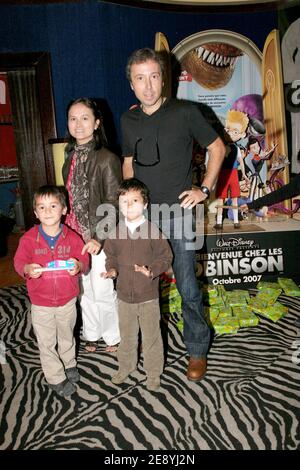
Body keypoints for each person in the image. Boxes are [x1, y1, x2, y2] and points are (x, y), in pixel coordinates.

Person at [121, 48, 226, 382]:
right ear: (132, 84)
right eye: (140, 78)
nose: (148, 85)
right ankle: (147, 342)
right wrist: (127, 202)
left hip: (180, 214)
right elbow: (127, 162)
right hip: (143, 217)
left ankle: (196, 349)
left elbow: (219, 148)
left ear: (163, 79)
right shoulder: (128, 119)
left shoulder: (186, 112)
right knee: (140, 284)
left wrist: (204, 190)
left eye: (154, 76)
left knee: (187, 287)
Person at [14, 185, 89, 397]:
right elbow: (19, 262)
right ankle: (55, 377)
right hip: (41, 303)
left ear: (64, 209)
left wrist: (79, 265)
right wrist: (27, 269)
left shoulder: (73, 238)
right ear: (36, 213)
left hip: (67, 300)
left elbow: (84, 260)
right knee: (46, 342)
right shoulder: (28, 239)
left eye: (53, 206)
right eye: (42, 207)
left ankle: (69, 363)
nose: (47, 211)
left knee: (67, 335)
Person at [62, 98, 122, 353]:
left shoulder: (107, 159)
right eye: (73, 118)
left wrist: (99, 237)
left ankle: (114, 335)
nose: (78, 124)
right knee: (83, 290)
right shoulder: (69, 157)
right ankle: (92, 332)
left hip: (100, 235)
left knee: (102, 288)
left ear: (97, 123)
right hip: (74, 235)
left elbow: (113, 202)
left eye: (85, 118)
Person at [102, 178, 173, 391]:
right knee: (127, 335)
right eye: (124, 201)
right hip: (124, 296)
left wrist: (151, 270)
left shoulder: (152, 231)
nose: (129, 205)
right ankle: (126, 366)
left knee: (151, 336)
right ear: (118, 205)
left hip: (148, 296)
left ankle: (153, 373)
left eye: (134, 200)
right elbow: (110, 255)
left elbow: (166, 257)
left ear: (145, 204)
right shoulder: (115, 232)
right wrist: (112, 270)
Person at [214, 109, 250, 230]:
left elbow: (241, 162)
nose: (230, 134)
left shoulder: (237, 149)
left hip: (234, 174)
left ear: (242, 134)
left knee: (234, 198)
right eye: (228, 130)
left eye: (235, 131)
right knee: (221, 199)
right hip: (223, 174)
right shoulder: (221, 147)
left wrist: (244, 174)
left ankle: (235, 220)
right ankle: (219, 221)